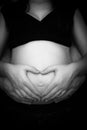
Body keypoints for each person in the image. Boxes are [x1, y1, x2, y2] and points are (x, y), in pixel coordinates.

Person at [0, 0, 87, 102]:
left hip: (68, 102)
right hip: (15, 104)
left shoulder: (70, 10)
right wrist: (8, 70)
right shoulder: (8, 11)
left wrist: (73, 70)